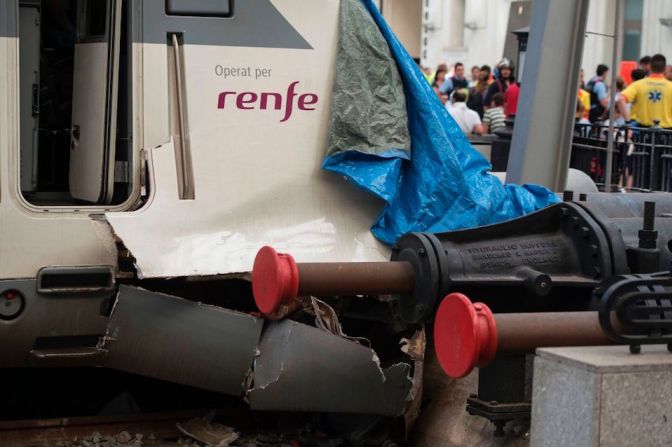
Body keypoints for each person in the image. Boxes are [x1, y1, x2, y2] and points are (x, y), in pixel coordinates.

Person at [620, 54, 672, 128]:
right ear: (664, 69)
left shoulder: (638, 84)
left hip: (643, 131)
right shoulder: (670, 86)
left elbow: (620, 99)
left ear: (650, 67)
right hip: (666, 132)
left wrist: (627, 121)